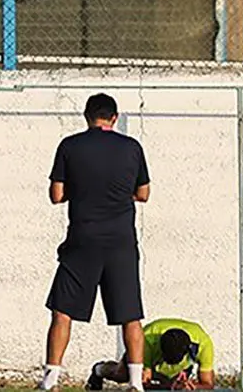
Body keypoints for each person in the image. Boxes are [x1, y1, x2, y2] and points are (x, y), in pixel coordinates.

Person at [40, 93, 151, 392]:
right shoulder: (132, 148)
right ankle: (136, 383)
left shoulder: (70, 145)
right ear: (114, 118)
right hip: (121, 243)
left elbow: (56, 195)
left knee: (62, 311)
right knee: (130, 314)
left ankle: (51, 378)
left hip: (82, 240)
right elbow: (143, 194)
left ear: (87, 117)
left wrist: (84, 190)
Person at [86, 318, 215, 390]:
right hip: (150, 360)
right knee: (122, 375)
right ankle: (99, 369)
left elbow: (208, 383)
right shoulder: (147, 341)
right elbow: (142, 383)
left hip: (175, 371)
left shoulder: (204, 343)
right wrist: (169, 386)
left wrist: (193, 387)